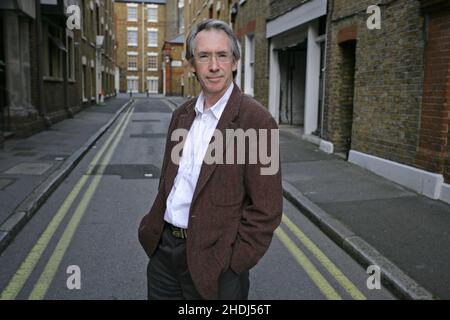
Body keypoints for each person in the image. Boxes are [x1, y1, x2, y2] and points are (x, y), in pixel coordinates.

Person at [138, 19, 282, 300]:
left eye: (222, 55)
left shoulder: (257, 121)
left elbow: (267, 209)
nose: (213, 66)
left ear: (235, 62)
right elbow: (171, 181)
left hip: (216, 266)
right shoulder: (181, 115)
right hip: (164, 256)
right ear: (193, 64)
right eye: (204, 56)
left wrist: (233, 264)